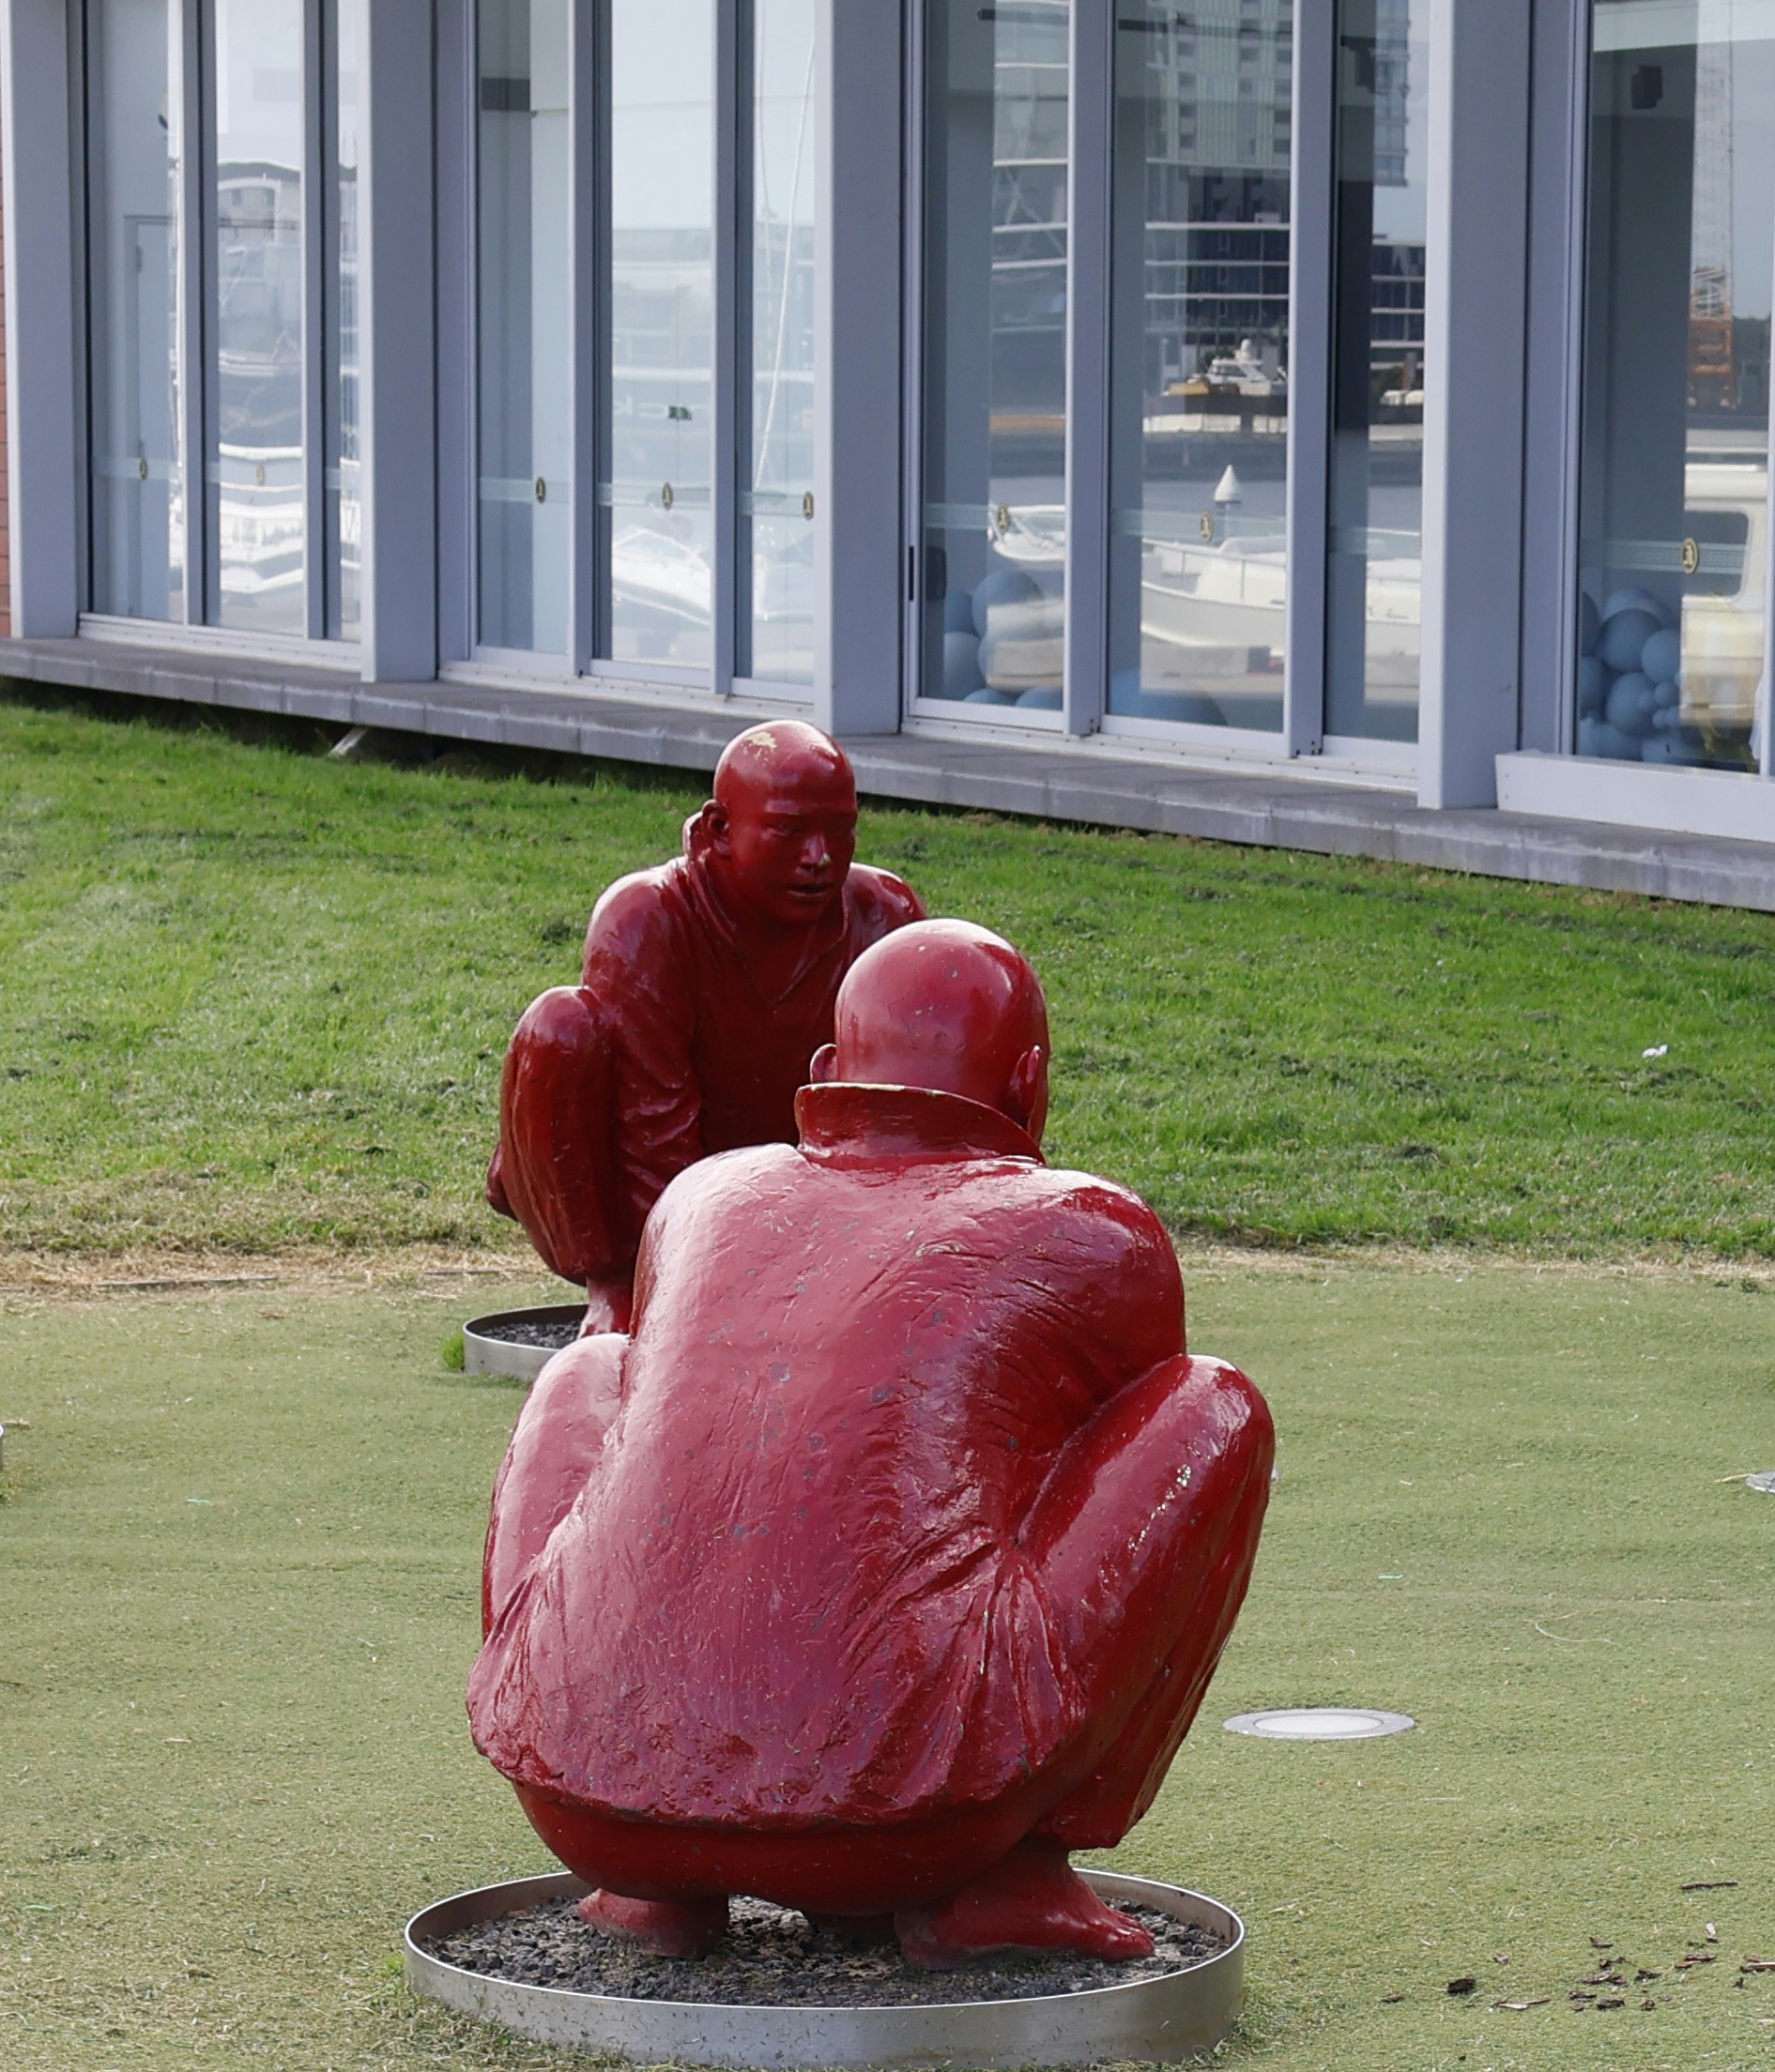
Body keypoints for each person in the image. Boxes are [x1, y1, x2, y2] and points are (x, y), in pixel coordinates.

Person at [472, 920, 1273, 1966]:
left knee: (589, 1369)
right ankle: (1013, 1873)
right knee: (1215, 1403)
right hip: (915, 1822)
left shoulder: (699, 1199)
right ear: (1028, 1085)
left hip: (581, 1804)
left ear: (824, 1073)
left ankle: (654, 1887)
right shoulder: (1092, 1228)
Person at [488, 720, 923, 1334]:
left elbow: (914, 1106)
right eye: (789, 830)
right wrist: (676, 1274)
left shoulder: (884, 916)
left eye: (840, 830)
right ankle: (615, 1286)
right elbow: (651, 1121)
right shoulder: (648, 916)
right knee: (560, 1028)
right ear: (719, 829)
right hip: (655, 1178)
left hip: (794, 1181)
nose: (820, 857)